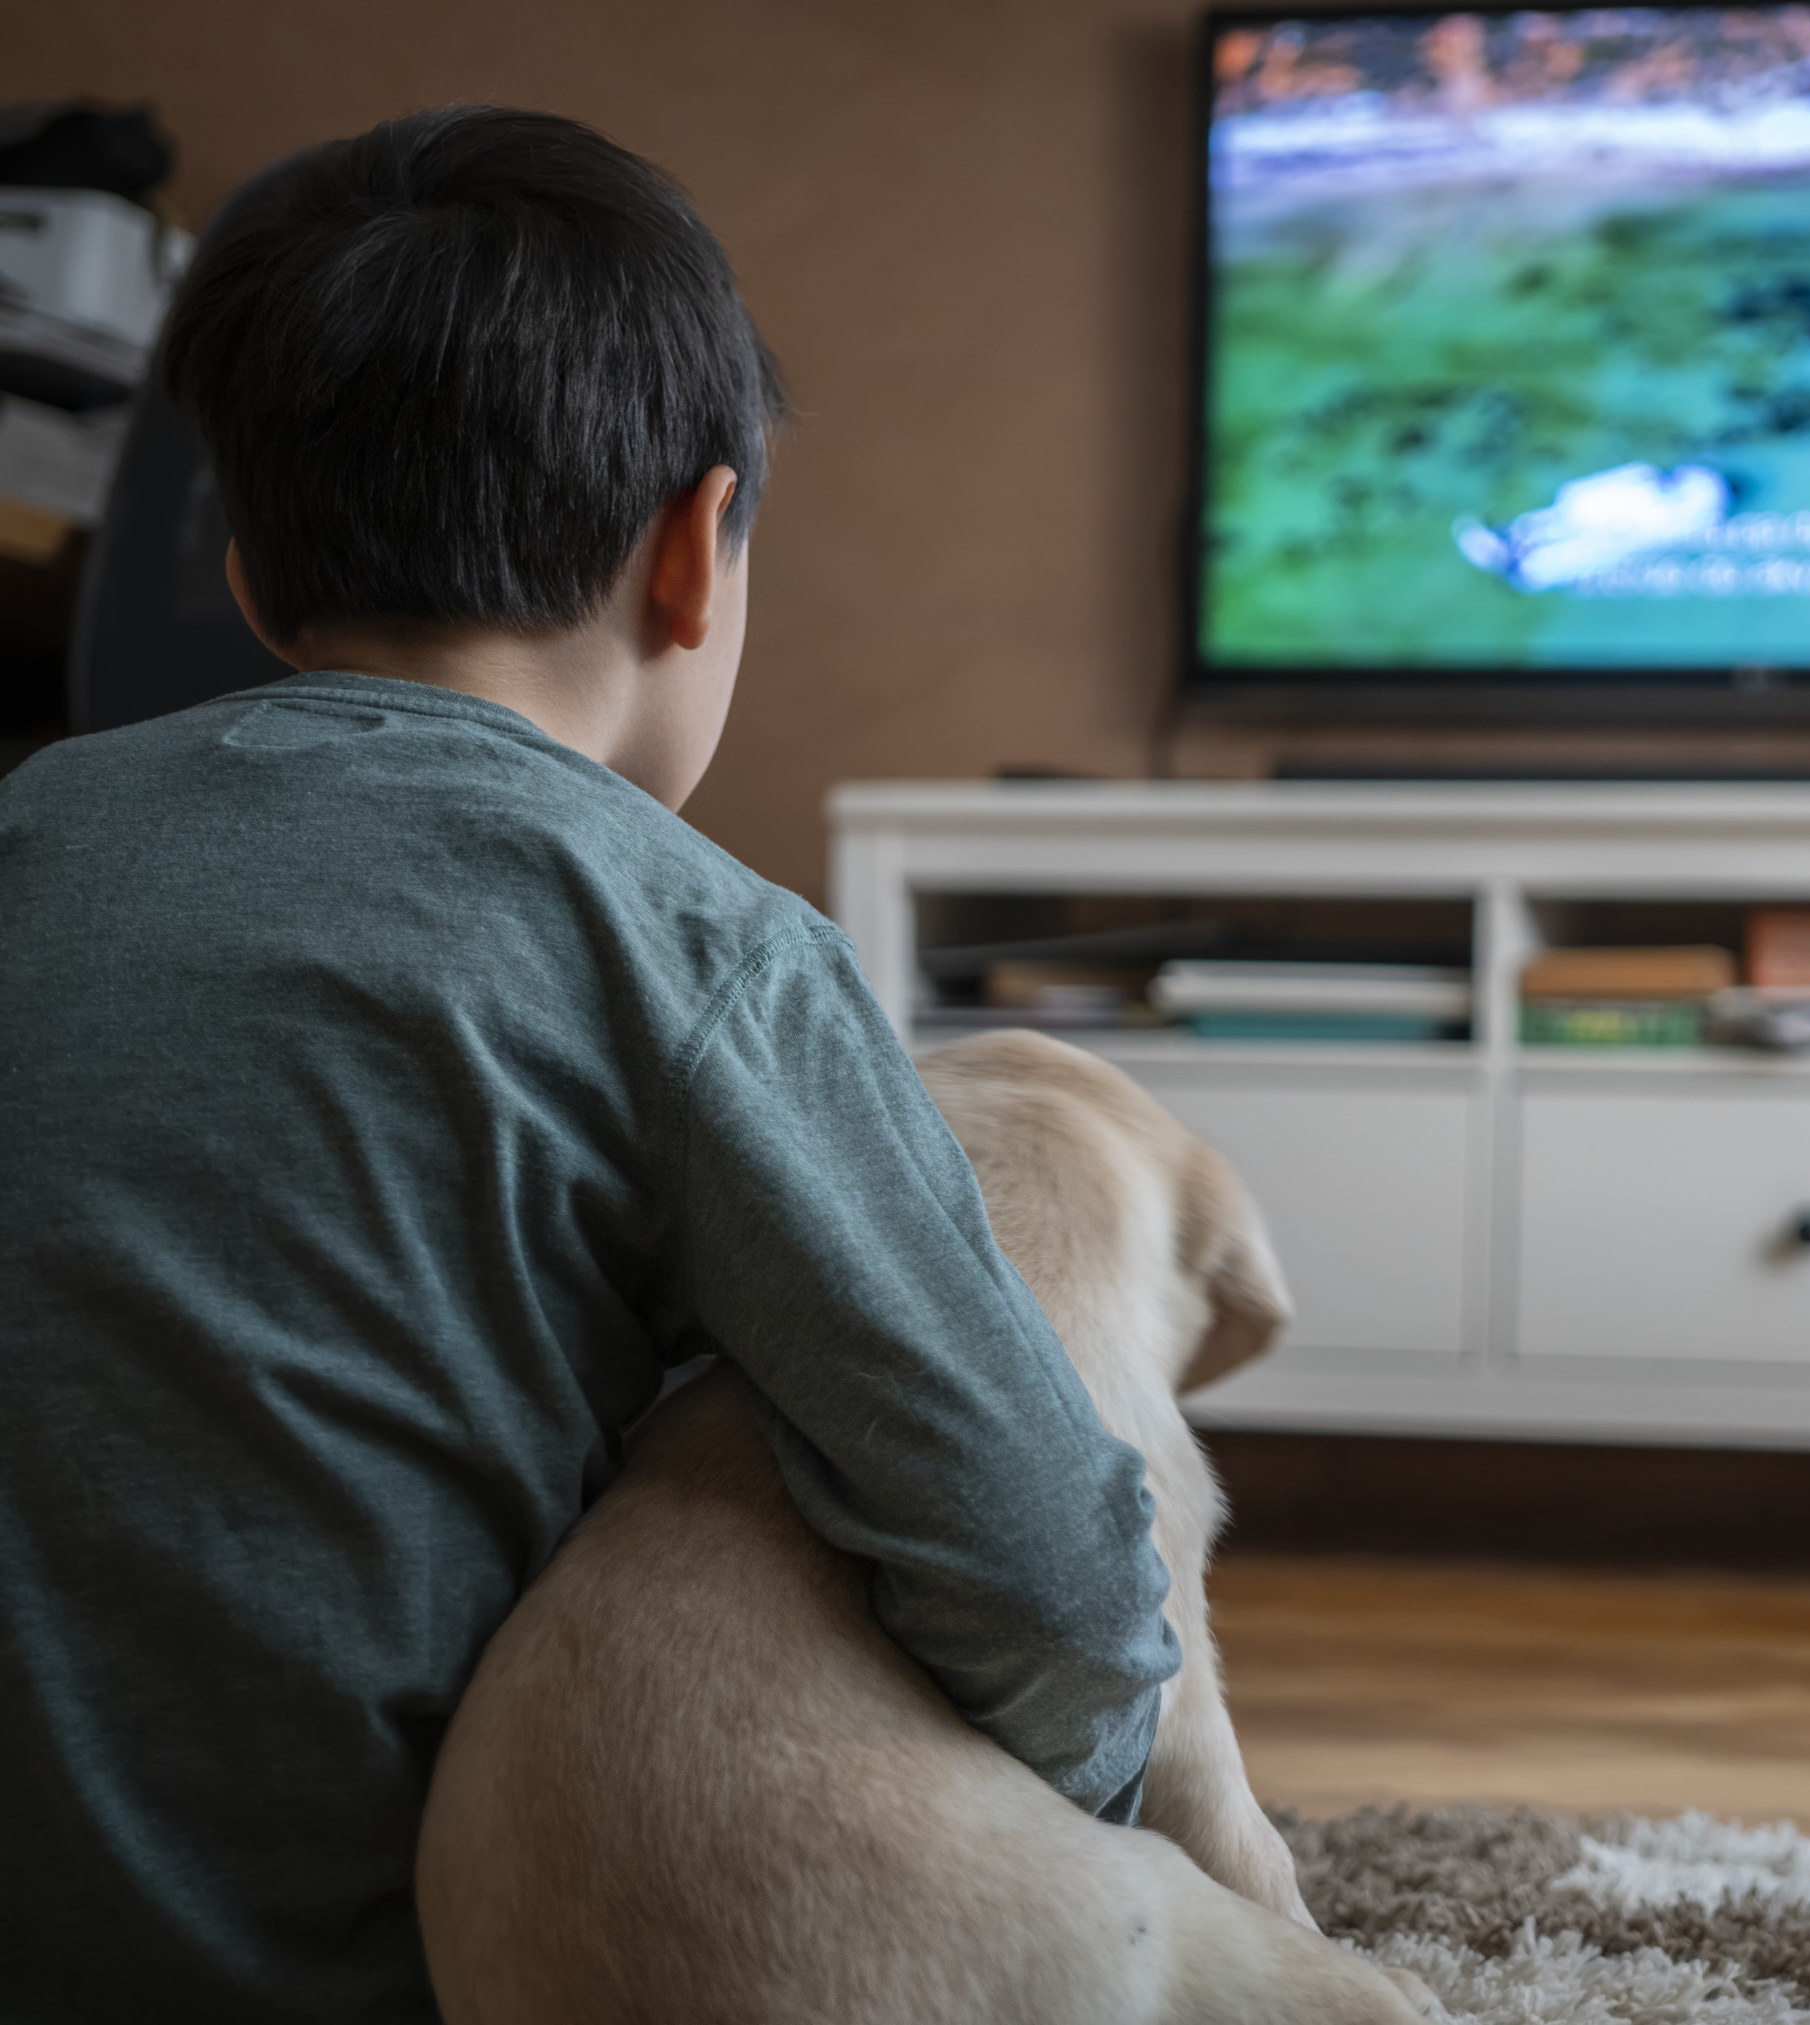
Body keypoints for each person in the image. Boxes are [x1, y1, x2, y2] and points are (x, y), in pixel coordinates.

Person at [0, 106, 1179, 2022]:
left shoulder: (29, 828)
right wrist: (1061, 1822)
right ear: (694, 552)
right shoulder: (700, 942)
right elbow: (1049, 1579)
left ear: (245, 578)